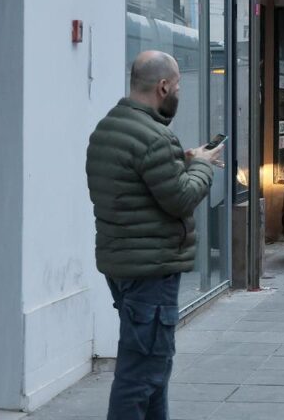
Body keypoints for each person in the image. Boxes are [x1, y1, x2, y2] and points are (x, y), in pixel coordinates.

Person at [86, 51, 224, 420]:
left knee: (153, 370)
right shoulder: (154, 137)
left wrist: (183, 161)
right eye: (177, 87)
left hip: (123, 265)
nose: (177, 93)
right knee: (140, 375)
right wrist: (202, 166)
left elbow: (137, 184)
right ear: (163, 87)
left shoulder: (108, 128)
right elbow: (181, 199)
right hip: (151, 271)